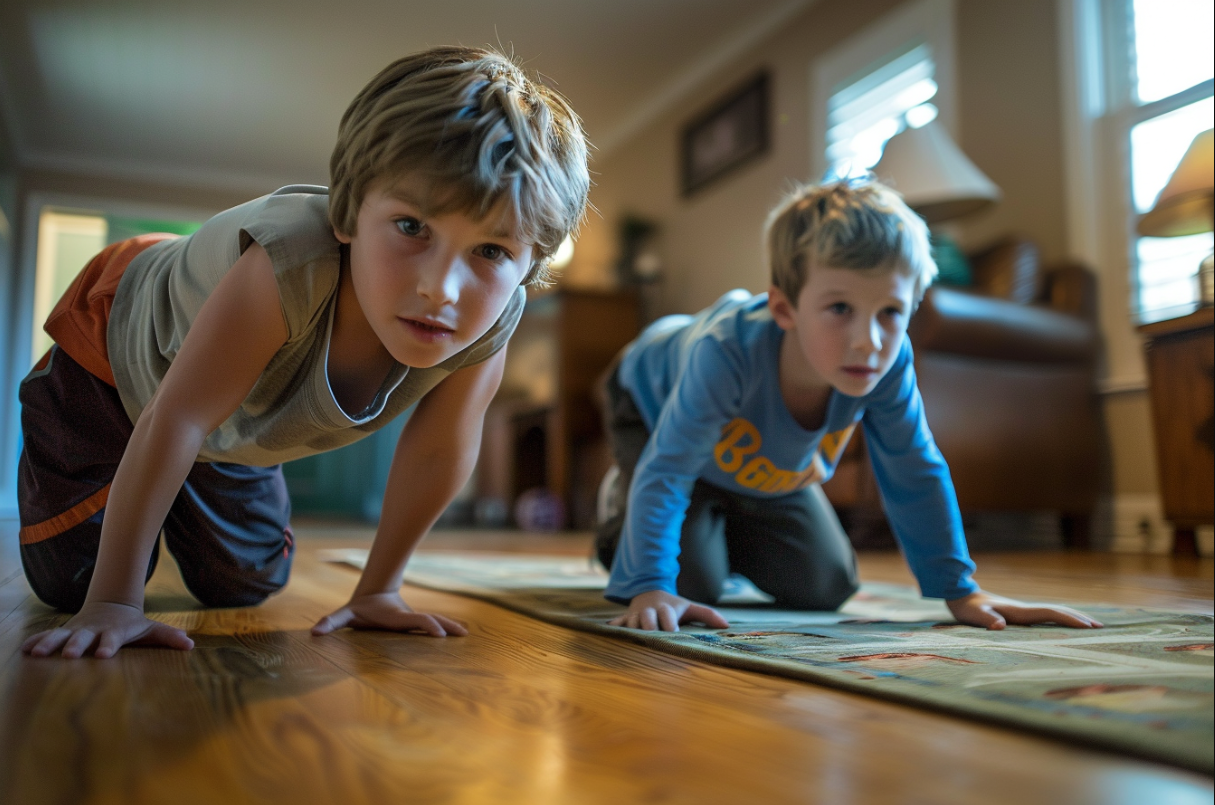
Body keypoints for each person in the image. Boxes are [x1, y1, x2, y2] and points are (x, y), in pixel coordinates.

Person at [19, 46, 590, 658]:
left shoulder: (494, 323)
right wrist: (114, 601)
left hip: (229, 415)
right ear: (347, 214)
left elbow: (438, 450)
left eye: (492, 252)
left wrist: (379, 590)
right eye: (411, 227)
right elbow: (178, 414)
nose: (439, 289)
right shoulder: (288, 265)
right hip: (113, 352)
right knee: (68, 580)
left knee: (246, 581)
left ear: (531, 265)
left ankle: (176, 484)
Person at [596, 178, 1102, 633]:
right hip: (650, 404)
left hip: (755, 460)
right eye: (840, 309)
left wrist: (960, 589)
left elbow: (914, 469)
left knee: (826, 586)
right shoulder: (726, 353)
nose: (868, 341)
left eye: (890, 312)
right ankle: (624, 503)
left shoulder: (888, 360)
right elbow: (669, 470)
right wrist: (649, 583)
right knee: (687, 584)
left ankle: (712, 516)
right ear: (784, 308)